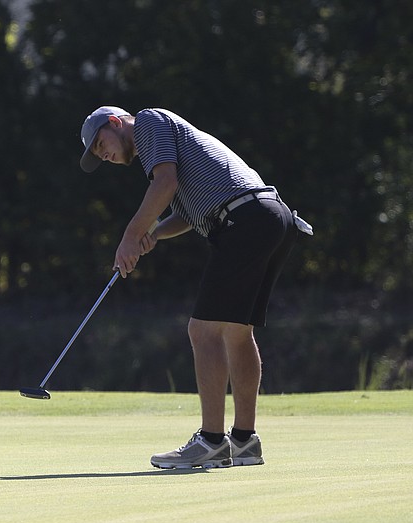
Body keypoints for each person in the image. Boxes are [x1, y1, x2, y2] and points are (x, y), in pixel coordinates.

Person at [79, 106, 311, 469]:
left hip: (244, 221)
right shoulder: (165, 150)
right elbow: (187, 214)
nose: (103, 154)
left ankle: (211, 442)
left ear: (114, 123)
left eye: (100, 144)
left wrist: (131, 234)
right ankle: (244, 441)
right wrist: (154, 233)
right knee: (236, 332)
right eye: (97, 154)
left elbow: (165, 184)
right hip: (269, 217)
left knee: (202, 332)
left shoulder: (149, 122)